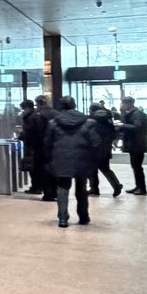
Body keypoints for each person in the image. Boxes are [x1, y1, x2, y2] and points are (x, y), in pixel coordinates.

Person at [45, 96, 106, 228]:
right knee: (81, 188)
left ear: (61, 107)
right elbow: (96, 142)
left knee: (62, 188)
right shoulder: (88, 122)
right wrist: (94, 157)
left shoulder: (53, 123)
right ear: (74, 105)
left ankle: (63, 218)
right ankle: (83, 216)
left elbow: (47, 143)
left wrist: (49, 159)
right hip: (82, 158)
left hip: (61, 158)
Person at [86, 101, 124, 198]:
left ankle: (94, 188)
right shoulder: (108, 118)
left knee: (91, 169)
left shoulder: (91, 119)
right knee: (105, 169)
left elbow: (89, 134)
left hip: (94, 148)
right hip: (105, 147)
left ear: (92, 110)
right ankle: (116, 185)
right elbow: (113, 132)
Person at [118, 96, 147, 195]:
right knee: (135, 166)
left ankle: (142, 188)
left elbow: (137, 127)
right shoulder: (132, 113)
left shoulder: (137, 114)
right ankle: (138, 186)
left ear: (129, 104)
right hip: (134, 144)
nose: (122, 105)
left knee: (137, 167)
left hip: (138, 144)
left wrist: (122, 125)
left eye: (123, 103)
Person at [32, 95, 59, 202]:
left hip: (41, 146)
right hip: (55, 145)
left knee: (43, 170)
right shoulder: (56, 114)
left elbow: (35, 132)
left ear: (39, 103)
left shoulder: (37, 115)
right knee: (54, 169)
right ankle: (55, 191)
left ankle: (48, 193)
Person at [16, 99, 37, 191]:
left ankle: (36, 187)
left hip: (31, 145)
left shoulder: (30, 118)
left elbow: (29, 132)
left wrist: (21, 135)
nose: (23, 111)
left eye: (23, 109)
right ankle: (36, 186)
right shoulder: (34, 116)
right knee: (33, 166)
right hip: (33, 145)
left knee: (32, 167)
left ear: (28, 108)